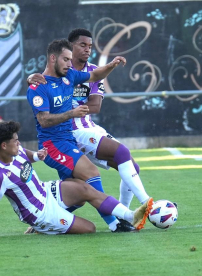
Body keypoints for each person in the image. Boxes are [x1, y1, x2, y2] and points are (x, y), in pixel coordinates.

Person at [26, 39, 153, 232]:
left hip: (67, 140)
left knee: (77, 194)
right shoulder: (38, 86)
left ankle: (41, 221)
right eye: (66, 59)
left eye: (70, 60)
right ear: (53, 58)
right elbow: (43, 120)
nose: (70, 64)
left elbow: (94, 75)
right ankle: (118, 221)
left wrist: (111, 66)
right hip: (53, 145)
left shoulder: (69, 77)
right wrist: (71, 113)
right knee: (92, 173)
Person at [0, 121, 153, 239]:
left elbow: (27, 155)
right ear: (4, 146)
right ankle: (44, 227)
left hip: (45, 191)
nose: (19, 143)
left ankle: (130, 216)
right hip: (41, 213)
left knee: (84, 188)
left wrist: (37, 156)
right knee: (89, 228)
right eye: (15, 141)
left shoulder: (15, 150)